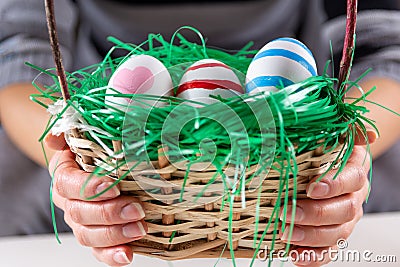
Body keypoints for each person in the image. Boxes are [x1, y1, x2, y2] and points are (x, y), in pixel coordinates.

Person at [0, 0, 399, 266]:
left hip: (296, 140)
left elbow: (384, 50)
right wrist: (70, 151)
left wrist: (341, 147)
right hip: (106, 131)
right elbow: (21, 55)